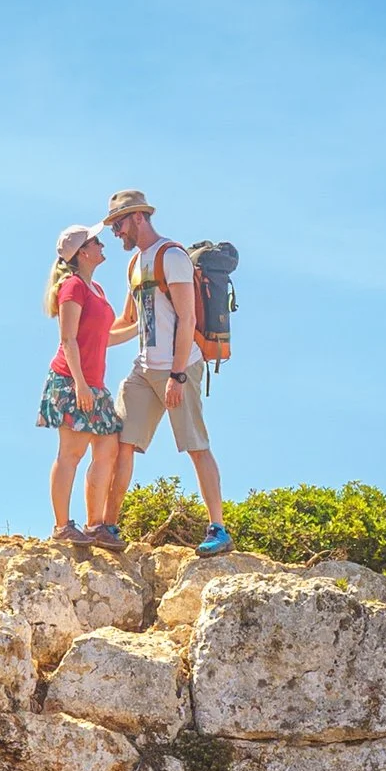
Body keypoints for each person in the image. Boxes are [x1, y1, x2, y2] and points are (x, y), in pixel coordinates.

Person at [101, 189, 232, 555]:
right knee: (122, 444)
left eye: (119, 224)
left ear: (139, 217)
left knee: (196, 446)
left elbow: (187, 317)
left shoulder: (171, 257)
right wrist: (87, 342)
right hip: (143, 370)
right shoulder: (134, 264)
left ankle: (218, 528)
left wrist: (177, 375)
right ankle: (108, 528)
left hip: (180, 366)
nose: (116, 232)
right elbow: (130, 321)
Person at [38, 224, 126, 541]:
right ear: (83, 252)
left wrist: (144, 328)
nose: (103, 245)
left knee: (107, 450)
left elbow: (104, 337)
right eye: (96, 241)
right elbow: (68, 338)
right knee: (71, 453)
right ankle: (62, 527)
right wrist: (79, 385)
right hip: (72, 381)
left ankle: (95, 525)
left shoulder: (96, 290)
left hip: (92, 384)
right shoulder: (73, 287)